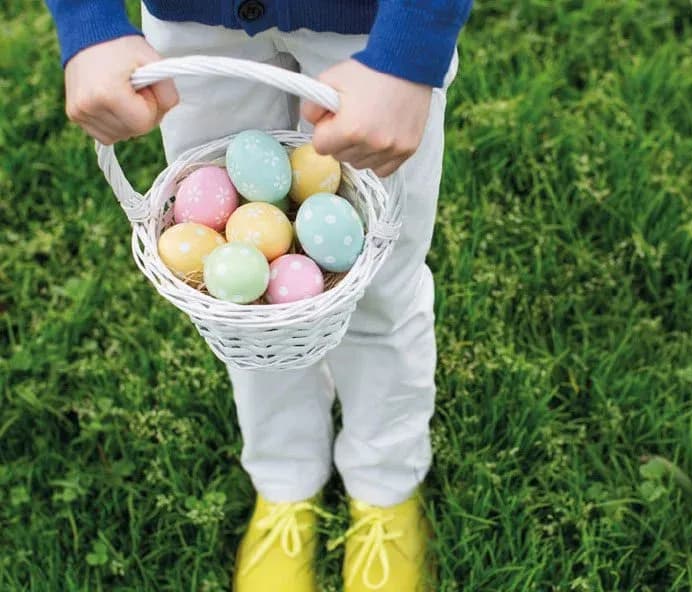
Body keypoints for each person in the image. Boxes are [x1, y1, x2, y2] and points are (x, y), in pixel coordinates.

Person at [44, 1, 473, 590]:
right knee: (244, 309)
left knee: (378, 282)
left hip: (375, 29)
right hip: (195, 18)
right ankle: (285, 475)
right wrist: (86, 20)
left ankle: (385, 482)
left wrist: (410, 48)